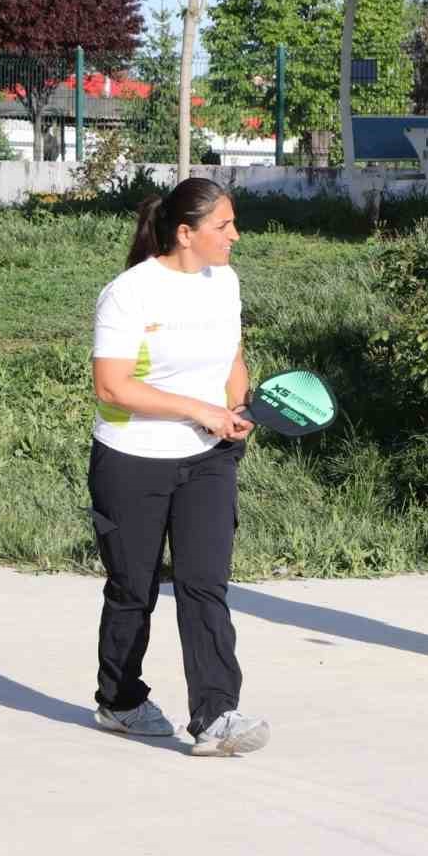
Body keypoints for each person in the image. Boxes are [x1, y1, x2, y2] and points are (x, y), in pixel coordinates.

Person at [87, 177, 269, 757]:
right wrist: (199, 410)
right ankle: (120, 701)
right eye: (224, 226)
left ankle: (217, 716)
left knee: (204, 585)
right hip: (131, 460)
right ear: (186, 233)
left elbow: (232, 356)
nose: (234, 236)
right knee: (132, 590)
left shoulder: (225, 283)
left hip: (210, 459)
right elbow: (112, 385)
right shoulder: (130, 293)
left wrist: (236, 408)